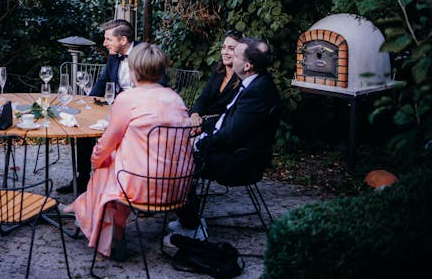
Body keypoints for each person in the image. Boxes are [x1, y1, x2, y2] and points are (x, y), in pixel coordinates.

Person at [61, 43, 194, 259]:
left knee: (105, 167)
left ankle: (111, 233)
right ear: (162, 71)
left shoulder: (127, 99)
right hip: (179, 186)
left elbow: (106, 144)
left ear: (133, 71)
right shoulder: (176, 99)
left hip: (141, 188)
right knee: (112, 165)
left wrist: (96, 162)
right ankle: (82, 208)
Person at [170, 36, 282, 238]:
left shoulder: (259, 92)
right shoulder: (252, 83)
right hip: (229, 149)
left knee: (175, 163)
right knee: (177, 151)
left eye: (236, 54)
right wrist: (201, 129)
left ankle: (192, 227)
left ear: (247, 65)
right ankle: (187, 218)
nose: (228, 57)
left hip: (240, 161)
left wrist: (200, 143)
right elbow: (226, 121)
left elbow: (232, 136)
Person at [58, 19, 164, 194]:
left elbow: (159, 87)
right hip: (117, 107)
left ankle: (123, 184)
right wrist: (87, 103)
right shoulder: (115, 57)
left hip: (143, 114)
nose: (104, 43)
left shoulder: (146, 55)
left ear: (123, 40)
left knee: (109, 141)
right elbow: (102, 82)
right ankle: (83, 179)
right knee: (83, 125)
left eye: (108, 39)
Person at [187, 29, 245, 128]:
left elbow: (229, 115)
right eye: (223, 47)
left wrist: (203, 125)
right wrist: (195, 114)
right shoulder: (218, 72)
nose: (225, 52)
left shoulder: (242, 79)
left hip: (218, 128)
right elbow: (203, 98)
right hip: (200, 122)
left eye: (231, 48)